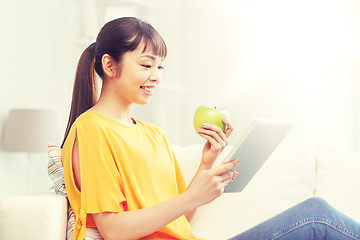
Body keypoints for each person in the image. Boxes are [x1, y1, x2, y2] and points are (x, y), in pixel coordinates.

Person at [61, 17, 360, 240]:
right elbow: (112, 230)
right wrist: (192, 196)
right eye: (146, 65)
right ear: (110, 66)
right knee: (316, 217)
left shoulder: (153, 134)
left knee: (316, 215)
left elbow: (180, 220)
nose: (156, 76)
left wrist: (208, 161)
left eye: (160, 67)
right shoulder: (91, 129)